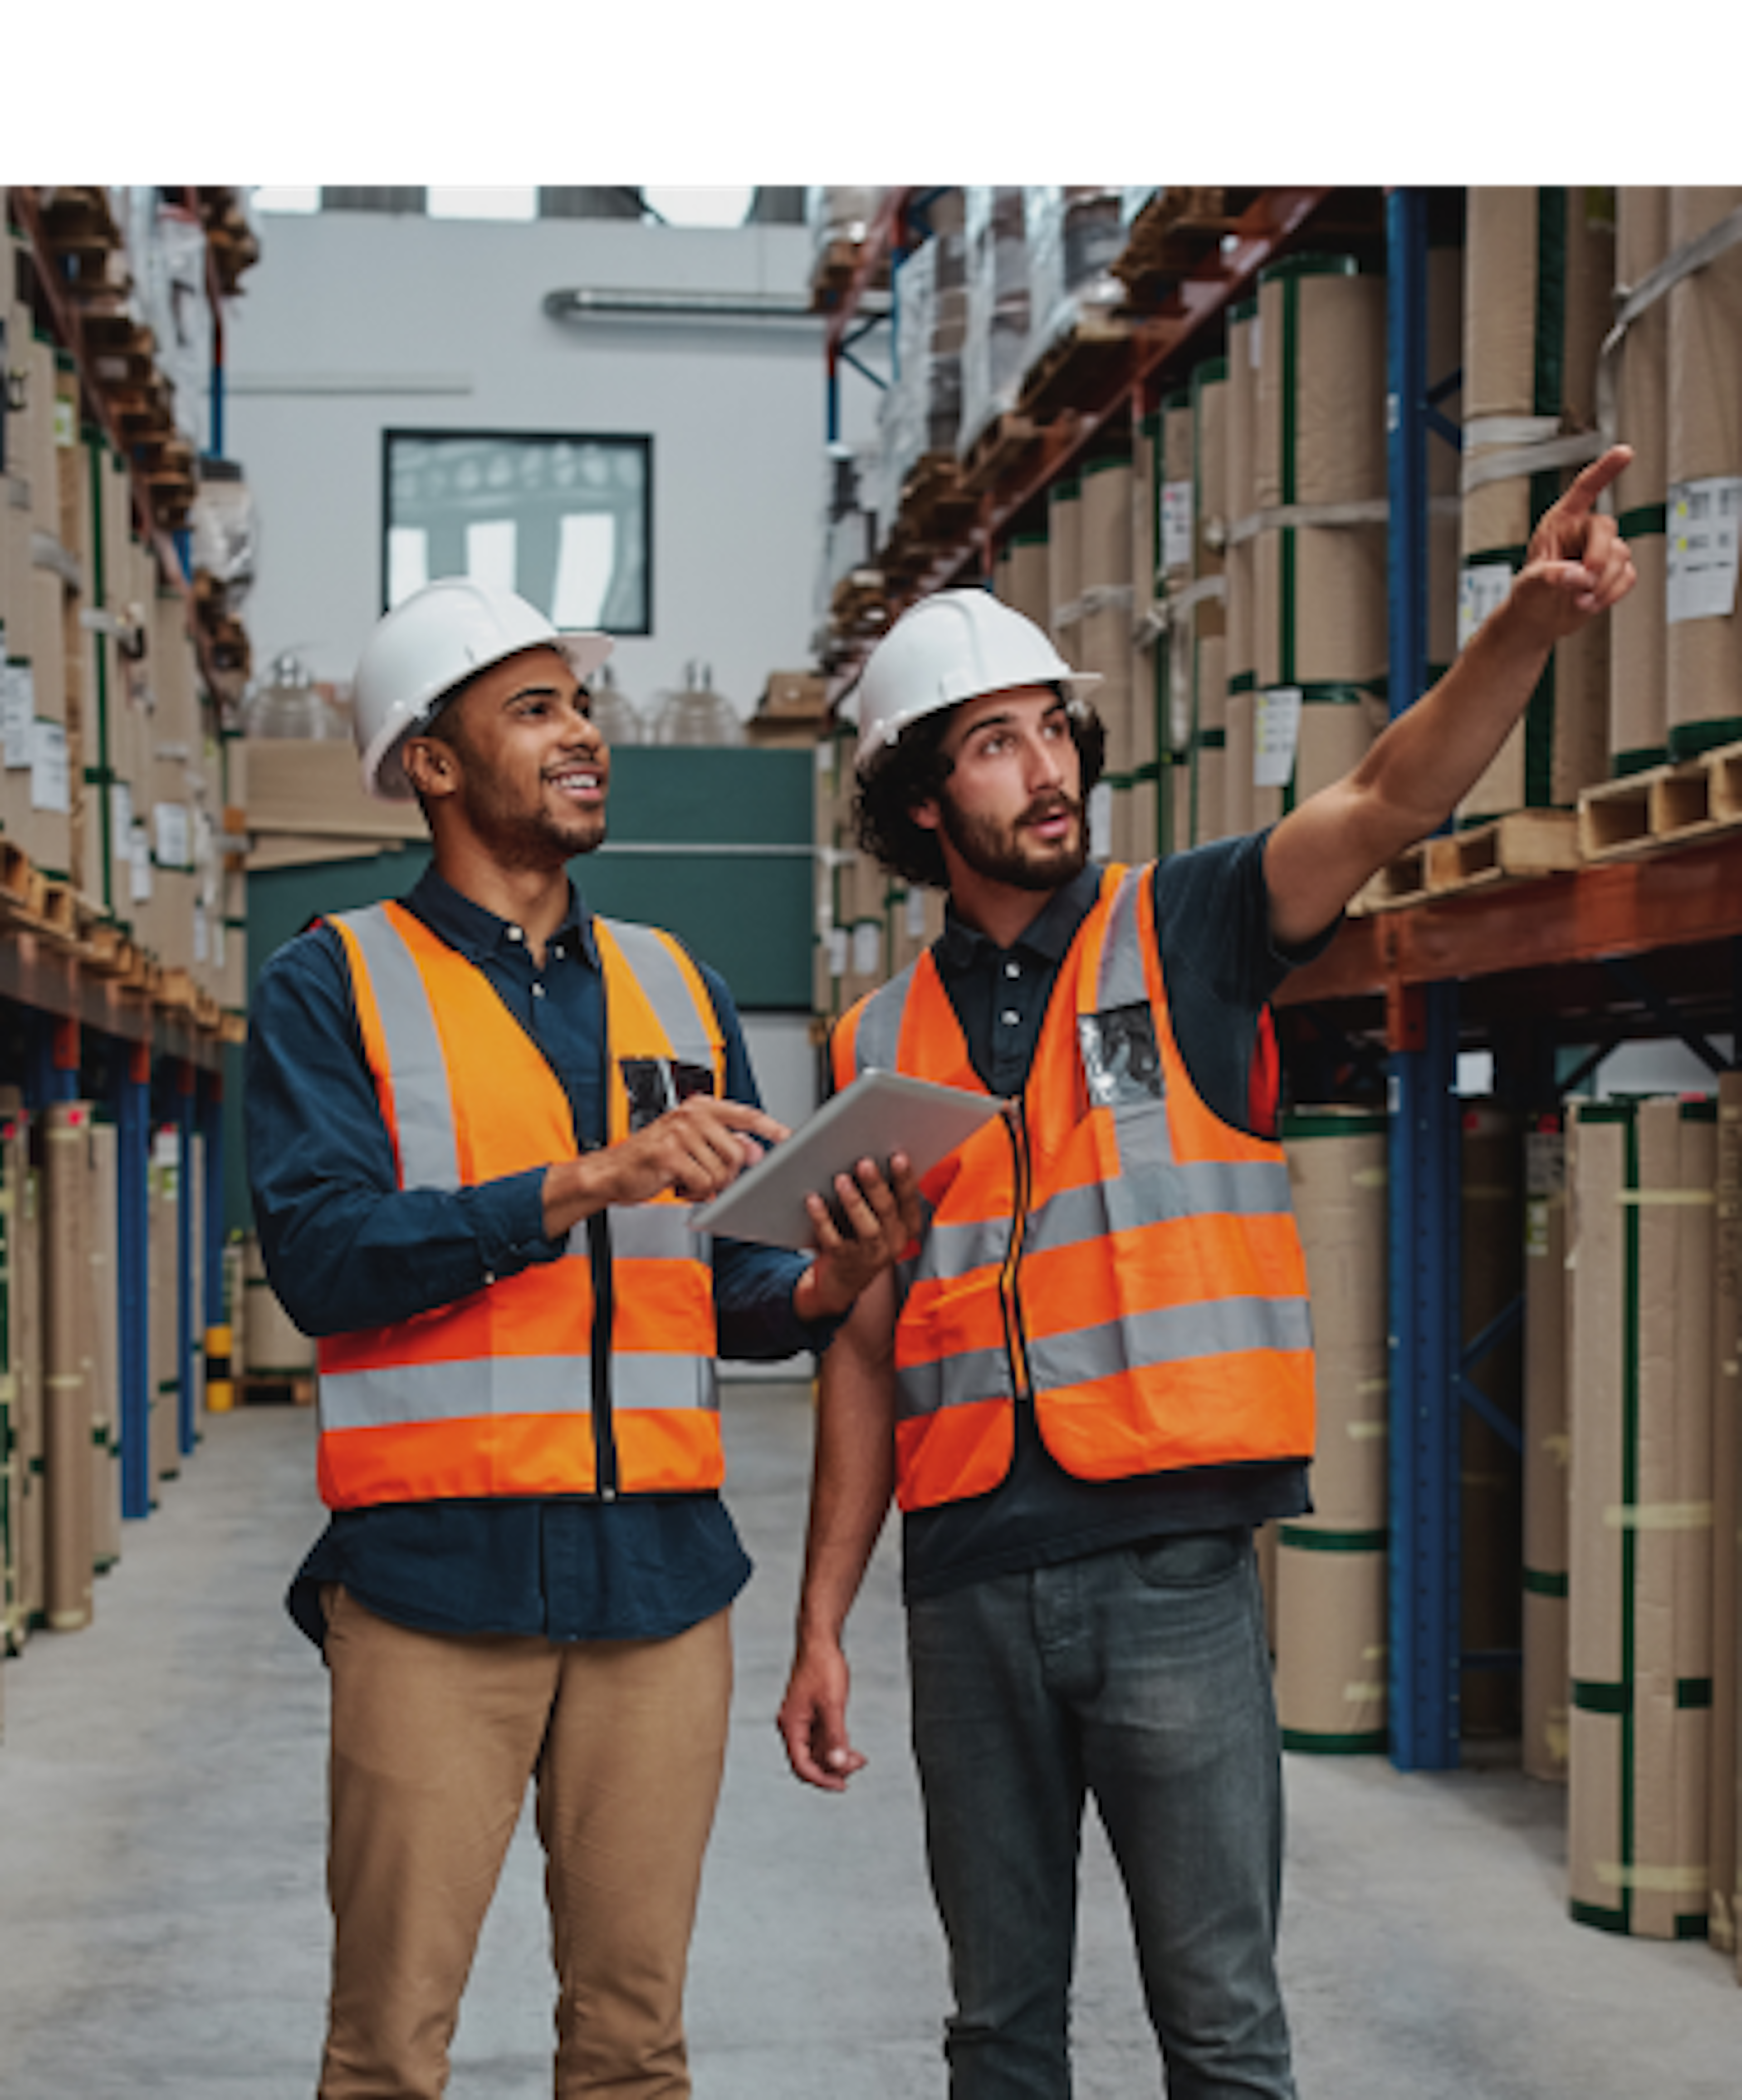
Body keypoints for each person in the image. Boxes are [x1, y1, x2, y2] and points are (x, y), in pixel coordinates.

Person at [777, 450, 1638, 2097]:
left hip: (1169, 1567)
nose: (1046, 768)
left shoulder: (1193, 927)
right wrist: (822, 1622)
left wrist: (1522, 629)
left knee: (1224, 2033)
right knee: (1000, 2036)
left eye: (1053, 728)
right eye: (993, 741)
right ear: (916, 805)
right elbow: (868, 1347)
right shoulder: (876, 1038)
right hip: (964, 1590)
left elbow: (1388, 799)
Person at [245, 576, 920, 2100]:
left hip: (660, 1592)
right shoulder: (331, 981)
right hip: (433, 1590)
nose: (584, 736)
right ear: (432, 761)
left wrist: (825, 1284)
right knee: (387, 2053)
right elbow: (326, 1259)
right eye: (534, 708)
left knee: (634, 2049)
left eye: (584, 706)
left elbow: (727, 1287)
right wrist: (581, 1183)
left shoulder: (678, 983)